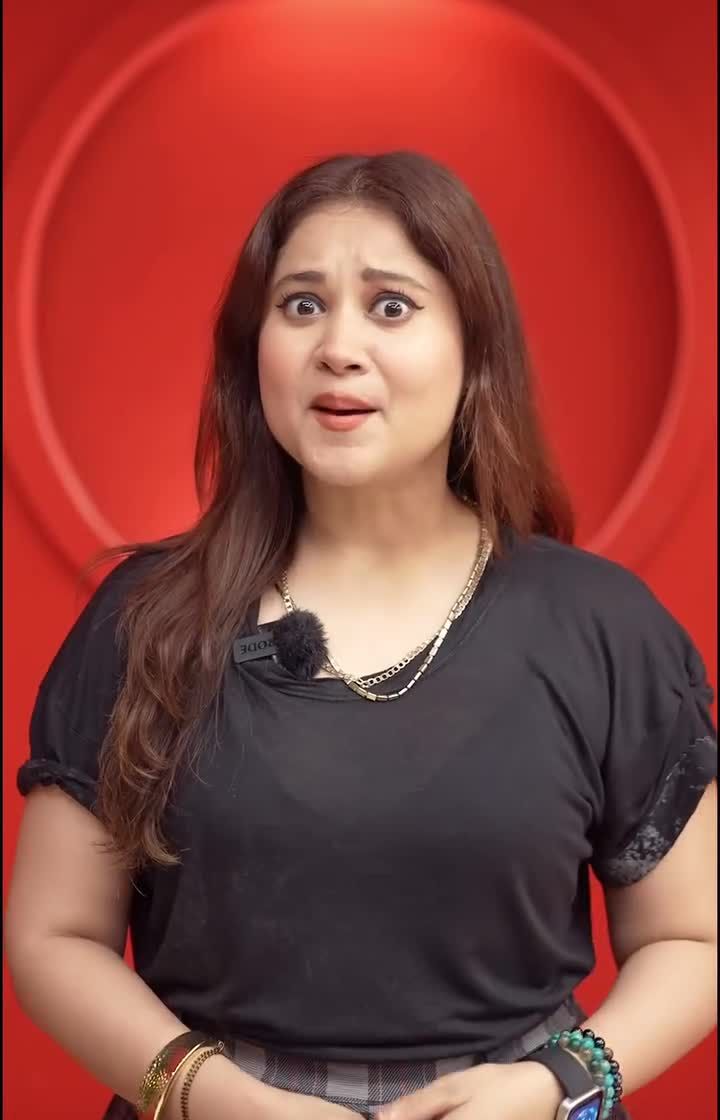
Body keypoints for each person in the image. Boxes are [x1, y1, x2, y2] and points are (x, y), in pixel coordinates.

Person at [5, 151, 717, 1120]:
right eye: (301, 305)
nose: (338, 347)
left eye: (391, 306)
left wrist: (558, 1085)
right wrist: (222, 1100)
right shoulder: (145, 617)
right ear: (254, 347)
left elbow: (693, 938)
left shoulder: (603, 625)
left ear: (475, 349)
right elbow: (54, 937)